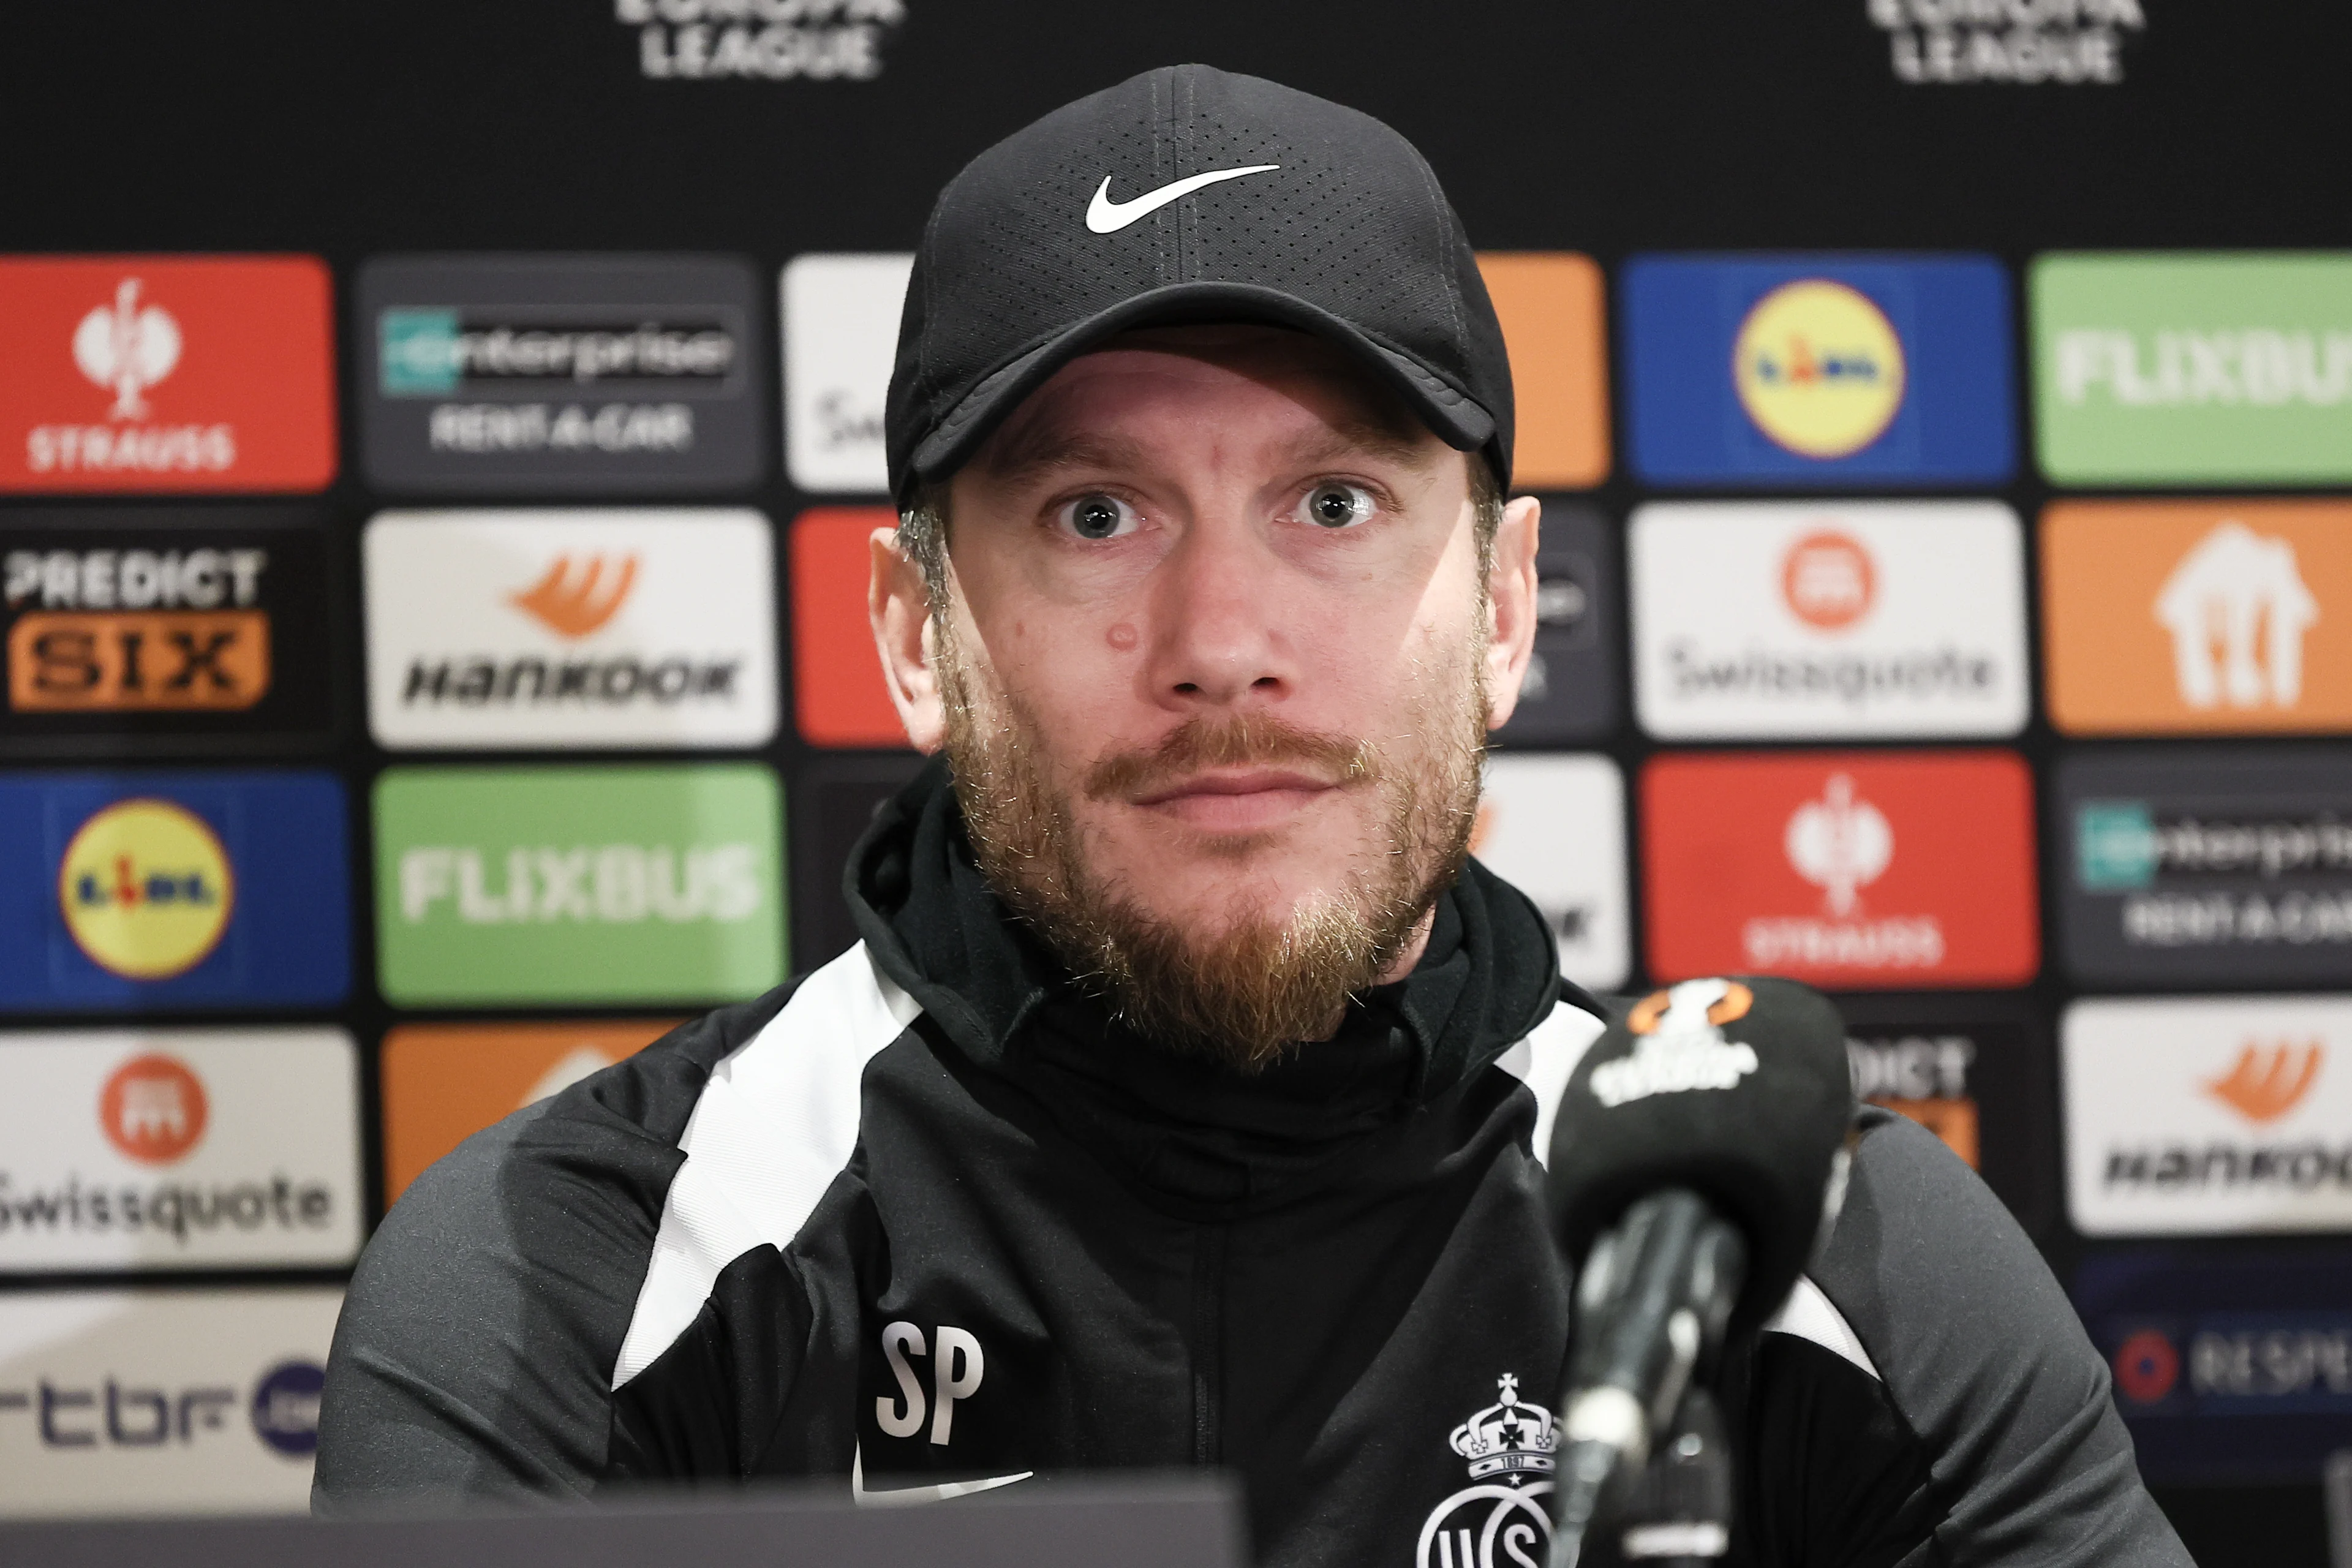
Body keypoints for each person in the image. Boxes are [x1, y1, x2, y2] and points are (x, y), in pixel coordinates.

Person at [315, 64, 2189, 1568]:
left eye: (1336, 507)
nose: (1224, 647)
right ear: (915, 633)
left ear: (1511, 608)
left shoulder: (1815, 1264)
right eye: (1095, 517)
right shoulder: (583, 1272)